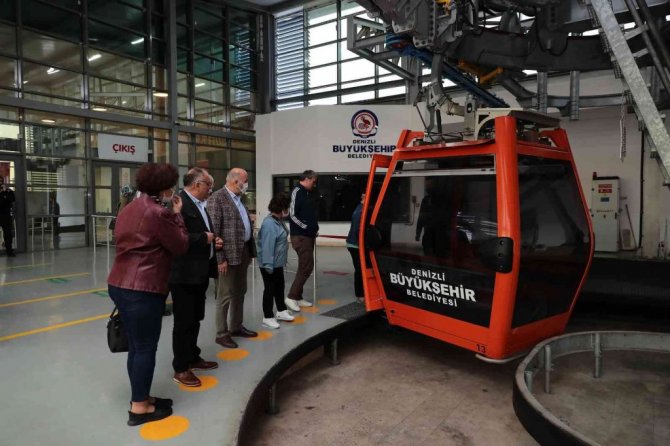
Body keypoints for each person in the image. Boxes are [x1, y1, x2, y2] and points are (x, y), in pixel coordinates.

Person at [107, 163, 189, 426]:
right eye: (171, 186)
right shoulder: (158, 213)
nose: (173, 190)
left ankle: (141, 396)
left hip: (119, 283)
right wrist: (177, 215)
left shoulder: (128, 208)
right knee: (145, 347)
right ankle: (140, 409)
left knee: (136, 345)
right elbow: (180, 245)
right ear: (163, 188)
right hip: (143, 288)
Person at [169, 168, 223, 387]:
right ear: (197, 184)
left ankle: (192, 356)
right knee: (184, 322)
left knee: (195, 318)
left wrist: (212, 241)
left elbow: (201, 234)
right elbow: (175, 238)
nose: (211, 189)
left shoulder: (200, 204)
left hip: (199, 272)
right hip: (184, 274)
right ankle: (181, 368)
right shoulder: (178, 204)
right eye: (209, 185)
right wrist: (203, 238)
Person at [207, 167, 258, 349]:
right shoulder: (217, 199)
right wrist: (220, 258)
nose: (247, 184)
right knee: (225, 295)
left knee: (240, 291)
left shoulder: (239, 199)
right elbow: (214, 231)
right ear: (235, 181)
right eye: (245, 181)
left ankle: (236, 326)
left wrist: (250, 252)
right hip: (227, 256)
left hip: (243, 252)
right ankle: (221, 333)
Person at [257, 193, 295, 329]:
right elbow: (268, 246)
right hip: (269, 263)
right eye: (287, 207)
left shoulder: (278, 220)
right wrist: (268, 265)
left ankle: (281, 310)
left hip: (278, 262)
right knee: (270, 289)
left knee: (280, 286)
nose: (288, 209)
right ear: (282, 208)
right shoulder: (269, 224)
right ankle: (267, 317)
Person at [286, 170, 319, 312]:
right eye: (313, 181)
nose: (314, 184)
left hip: (308, 235)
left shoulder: (307, 193)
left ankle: (298, 297)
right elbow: (292, 215)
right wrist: (306, 227)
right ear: (307, 179)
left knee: (303, 266)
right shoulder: (296, 192)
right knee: (307, 266)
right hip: (301, 236)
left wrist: (313, 229)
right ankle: (291, 297)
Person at [346, 193, 365, 302]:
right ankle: (360, 295)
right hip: (355, 245)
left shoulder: (360, 207)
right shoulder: (360, 211)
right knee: (360, 269)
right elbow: (358, 230)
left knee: (361, 269)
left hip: (355, 244)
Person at [0, 176, 16, 257]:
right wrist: (4, 197)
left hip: (5, 216)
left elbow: (12, 199)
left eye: (1, 181)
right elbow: (2, 202)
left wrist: (4, 193)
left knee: (8, 234)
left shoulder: (8, 191)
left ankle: (9, 251)